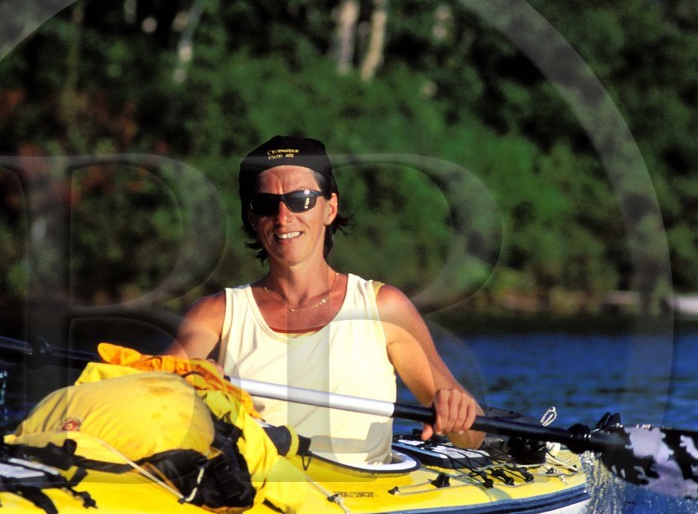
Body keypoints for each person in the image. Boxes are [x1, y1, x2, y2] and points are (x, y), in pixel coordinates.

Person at [165, 136, 482, 465]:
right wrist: (186, 386)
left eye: (300, 199)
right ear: (251, 218)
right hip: (258, 496)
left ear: (330, 208)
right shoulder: (214, 315)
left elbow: (472, 437)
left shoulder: (385, 308)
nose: (283, 216)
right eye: (265, 203)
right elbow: (153, 392)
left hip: (362, 500)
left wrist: (456, 412)